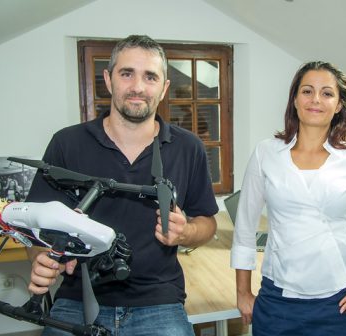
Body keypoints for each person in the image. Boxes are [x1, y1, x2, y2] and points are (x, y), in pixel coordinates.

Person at [26, 35, 218, 336]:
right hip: (78, 299)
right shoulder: (66, 143)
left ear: (164, 88)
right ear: (108, 79)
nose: (138, 87)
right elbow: (35, 226)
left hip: (159, 302)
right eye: (127, 73)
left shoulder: (188, 147)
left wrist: (187, 232)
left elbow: (208, 223)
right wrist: (39, 258)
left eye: (150, 77)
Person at [231, 61, 346, 335]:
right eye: (307, 91)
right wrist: (243, 292)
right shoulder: (266, 153)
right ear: (295, 99)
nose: (316, 99)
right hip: (278, 301)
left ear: (340, 105)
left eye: (327, 93)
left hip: (344, 301)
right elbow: (245, 228)